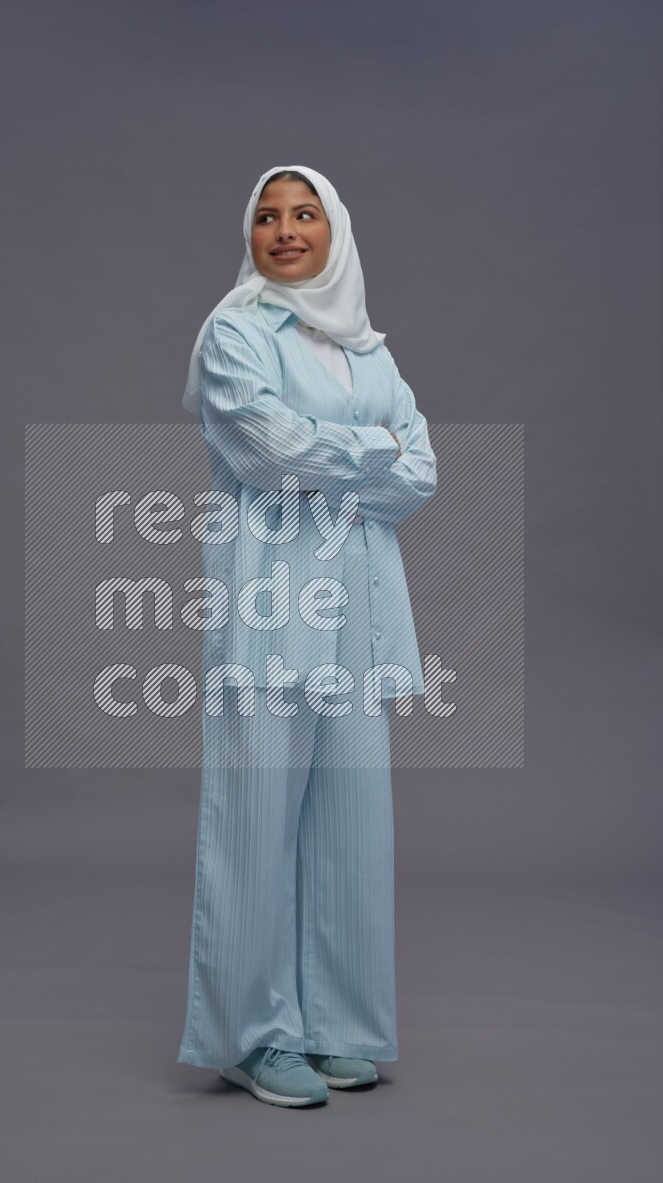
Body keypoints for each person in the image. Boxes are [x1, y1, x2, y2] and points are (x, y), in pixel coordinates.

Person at [176, 164, 437, 1108]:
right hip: (273, 606)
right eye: (267, 216)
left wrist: (352, 458)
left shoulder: (371, 352)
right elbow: (264, 447)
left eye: (305, 214)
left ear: (337, 232)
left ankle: (337, 1026)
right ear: (250, 235)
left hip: (360, 617)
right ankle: (251, 1037)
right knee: (254, 824)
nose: (285, 229)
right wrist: (374, 452)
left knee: (353, 826)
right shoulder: (235, 333)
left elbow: (424, 474)